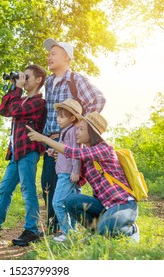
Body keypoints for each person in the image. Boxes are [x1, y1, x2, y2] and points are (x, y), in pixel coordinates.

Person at [26, 112, 139, 242]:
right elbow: (78, 177)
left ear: (91, 132)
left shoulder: (104, 149)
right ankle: (98, 232)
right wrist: (59, 156)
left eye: (81, 129)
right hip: (104, 206)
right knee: (71, 200)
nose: (76, 132)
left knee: (106, 229)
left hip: (123, 205)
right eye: (77, 128)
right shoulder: (86, 158)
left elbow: (74, 152)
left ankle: (131, 229)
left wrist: (44, 139)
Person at [0, 64, 47, 246]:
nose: (24, 79)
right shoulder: (21, 99)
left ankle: (32, 230)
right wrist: (13, 88)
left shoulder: (39, 102)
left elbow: (15, 111)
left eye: (27, 76)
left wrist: (16, 89)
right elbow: (3, 109)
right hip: (15, 152)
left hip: (28, 151)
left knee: (27, 190)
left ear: (38, 80)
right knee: (5, 189)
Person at [41, 39, 106, 234]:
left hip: (69, 143)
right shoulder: (49, 82)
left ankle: (67, 231)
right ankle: (59, 228)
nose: (49, 57)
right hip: (52, 140)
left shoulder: (75, 79)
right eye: (49, 54)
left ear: (66, 57)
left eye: (53, 53)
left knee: (67, 183)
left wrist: (81, 125)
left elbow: (99, 99)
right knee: (48, 183)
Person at [48, 98, 82, 242]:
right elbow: (65, 151)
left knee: (57, 202)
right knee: (71, 203)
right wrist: (53, 151)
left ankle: (67, 232)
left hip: (67, 173)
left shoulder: (72, 131)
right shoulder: (66, 131)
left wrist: (76, 171)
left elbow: (76, 152)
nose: (58, 119)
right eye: (58, 116)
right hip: (65, 171)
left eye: (62, 116)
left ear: (72, 117)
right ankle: (72, 232)